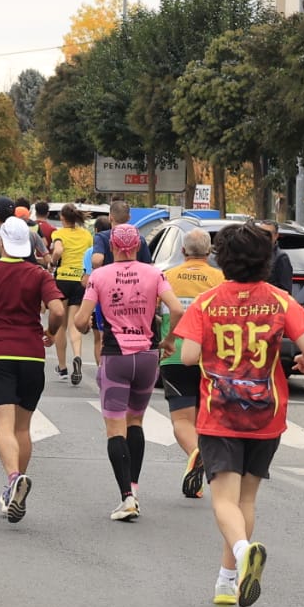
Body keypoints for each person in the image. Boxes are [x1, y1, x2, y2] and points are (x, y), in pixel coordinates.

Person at [174, 223, 304, 607]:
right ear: (266, 260)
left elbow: (188, 356)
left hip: (219, 413)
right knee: (246, 500)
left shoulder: (206, 303)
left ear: (221, 259)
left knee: (224, 499)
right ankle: (227, 582)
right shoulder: (279, 300)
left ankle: (242, 553)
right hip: (265, 414)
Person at [0, 217, 65, 523]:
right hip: (32, 356)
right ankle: (16, 485)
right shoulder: (39, 274)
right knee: (22, 428)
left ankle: (14, 478)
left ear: (1, 243)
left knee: (4, 427)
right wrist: (50, 331)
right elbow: (58, 310)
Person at [74, 224, 182, 522]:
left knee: (115, 428)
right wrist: (169, 340)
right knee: (136, 422)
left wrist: (85, 326)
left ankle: (126, 498)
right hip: (147, 356)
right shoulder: (155, 273)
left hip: (116, 356)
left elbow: (81, 320)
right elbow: (177, 310)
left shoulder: (99, 276)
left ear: (112, 248)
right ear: (136, 247)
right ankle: (133, 487)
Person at [160, 229, 225, 498]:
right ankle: (197, 480)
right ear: (209, 252)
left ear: (182, 251)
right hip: (211, 359)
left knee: (181, 420)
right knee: (204, 420)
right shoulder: (220, 279)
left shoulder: (168, 276)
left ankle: (195, 453)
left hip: (175, 355)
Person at [49, 204, 93, 385]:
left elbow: (58, 250)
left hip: (62, 280)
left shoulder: (58, 233)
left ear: (62, 218)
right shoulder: (87, 235)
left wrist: (53, 262)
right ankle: (77, 356)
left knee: (61, 325)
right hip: (79, 280)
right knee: (74, 324)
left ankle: (62, 368)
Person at [90, 199, 152, 269]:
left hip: (109, 275)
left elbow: (97, 261)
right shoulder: (139, 238)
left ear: (110, 217)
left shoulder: (101, 237)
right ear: (129, 218)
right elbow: (148, 265)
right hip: (134, 275)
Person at [257, 220, 294, 293]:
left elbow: (285, 290)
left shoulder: (281, 257)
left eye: (268, 234)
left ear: (276, 236)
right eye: (261, 233)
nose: (264, 236)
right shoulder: (253, 253)